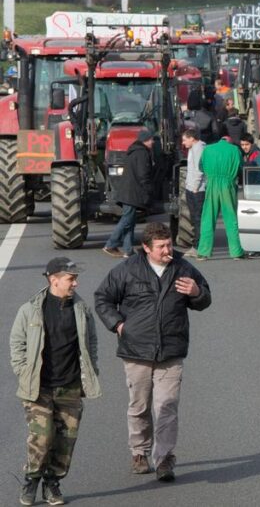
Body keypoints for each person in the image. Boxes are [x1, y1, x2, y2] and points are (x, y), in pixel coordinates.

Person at [94, 223, 211, 482]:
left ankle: (164, 459)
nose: (167, 250)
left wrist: (196, 293)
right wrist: (118, 325)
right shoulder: (127, 270)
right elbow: (102, 298)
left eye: (169, 244)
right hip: (136, 351)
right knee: (139, 406)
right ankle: (139, 452)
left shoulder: (184, 268)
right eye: (161, 247)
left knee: (167, 407)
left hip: (171, 352)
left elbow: (204, 299)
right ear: (146, 248)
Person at [10, 258, 101, 506]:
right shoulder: (30, 310)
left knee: (65, 441)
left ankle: (53, 483)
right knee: (42, 437)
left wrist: (91, 370)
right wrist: (23, 372)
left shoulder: (81, 309)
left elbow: (91, 343)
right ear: (54, 280)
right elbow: (17, 345)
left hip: (70, 386)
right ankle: (31, 479)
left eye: (75, 278)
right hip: (39, 388)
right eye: (71, 278)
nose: (75, 283)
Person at [197, 137, 260, 260]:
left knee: (207, 218)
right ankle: (236, 252)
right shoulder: (234, 150)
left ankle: (203, 252)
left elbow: (200, 167)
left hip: (212, 184)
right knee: (231, 219)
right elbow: (240, 167)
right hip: (227, 185)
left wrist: (211, 174)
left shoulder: (207, 149)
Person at [103, 129, 154, 258]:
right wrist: (148, 190)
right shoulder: (142, 153)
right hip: (133, 192)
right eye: (151, 139)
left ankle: (128, 250)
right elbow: (143, 174)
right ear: (145, 140)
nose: (153, 142)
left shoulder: (132, 151)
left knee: (130, 220)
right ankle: (111, 244)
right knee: (127, 219)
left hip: (126, 191)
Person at [181, 129, 206, 258]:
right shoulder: (193, 149)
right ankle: (196, 246)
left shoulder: (199, 148)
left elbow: (199, 169)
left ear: (192, 138)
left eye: (185, 139)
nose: (183, 142)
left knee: (198, 219)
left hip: (198, 190)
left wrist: (195, 187)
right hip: (191, 188)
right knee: (194, 218)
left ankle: (199, 247)